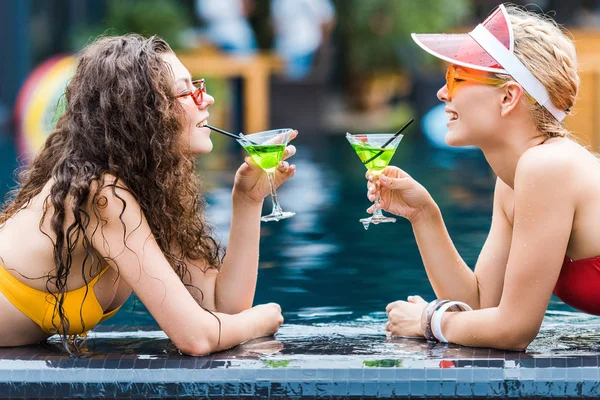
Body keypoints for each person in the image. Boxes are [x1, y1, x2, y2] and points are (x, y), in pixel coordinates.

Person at [0, 34, 297, 355]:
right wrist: (263, 319)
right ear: (146, 110)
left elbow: (221, 308)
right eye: (188, 91)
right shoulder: (101, 194)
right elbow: (197, 337)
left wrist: (248, 201)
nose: (206, 99)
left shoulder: (150, 193)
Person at [369, 4, 593, 351]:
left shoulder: (547, 167)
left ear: (508, 97)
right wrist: (424, 214)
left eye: (457, 78)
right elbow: (481, 306)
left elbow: (514, 329)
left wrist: (429, 321)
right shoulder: (514, 181)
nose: (443, 93)